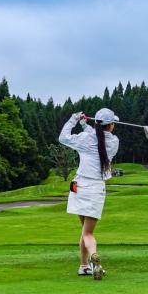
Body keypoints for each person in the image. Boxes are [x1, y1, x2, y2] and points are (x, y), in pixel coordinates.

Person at [59, 108, 120, 280]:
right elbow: (98, 139)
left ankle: (84, 266)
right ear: (110, 126)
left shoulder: (86, 138)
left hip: (76, 185)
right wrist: (86, 125)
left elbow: (63, 138)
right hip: (94, 187)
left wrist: (74, 120)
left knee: (84, 231)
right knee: (88, 233)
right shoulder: (114, 142)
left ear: (96, 124)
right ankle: (94, 260)